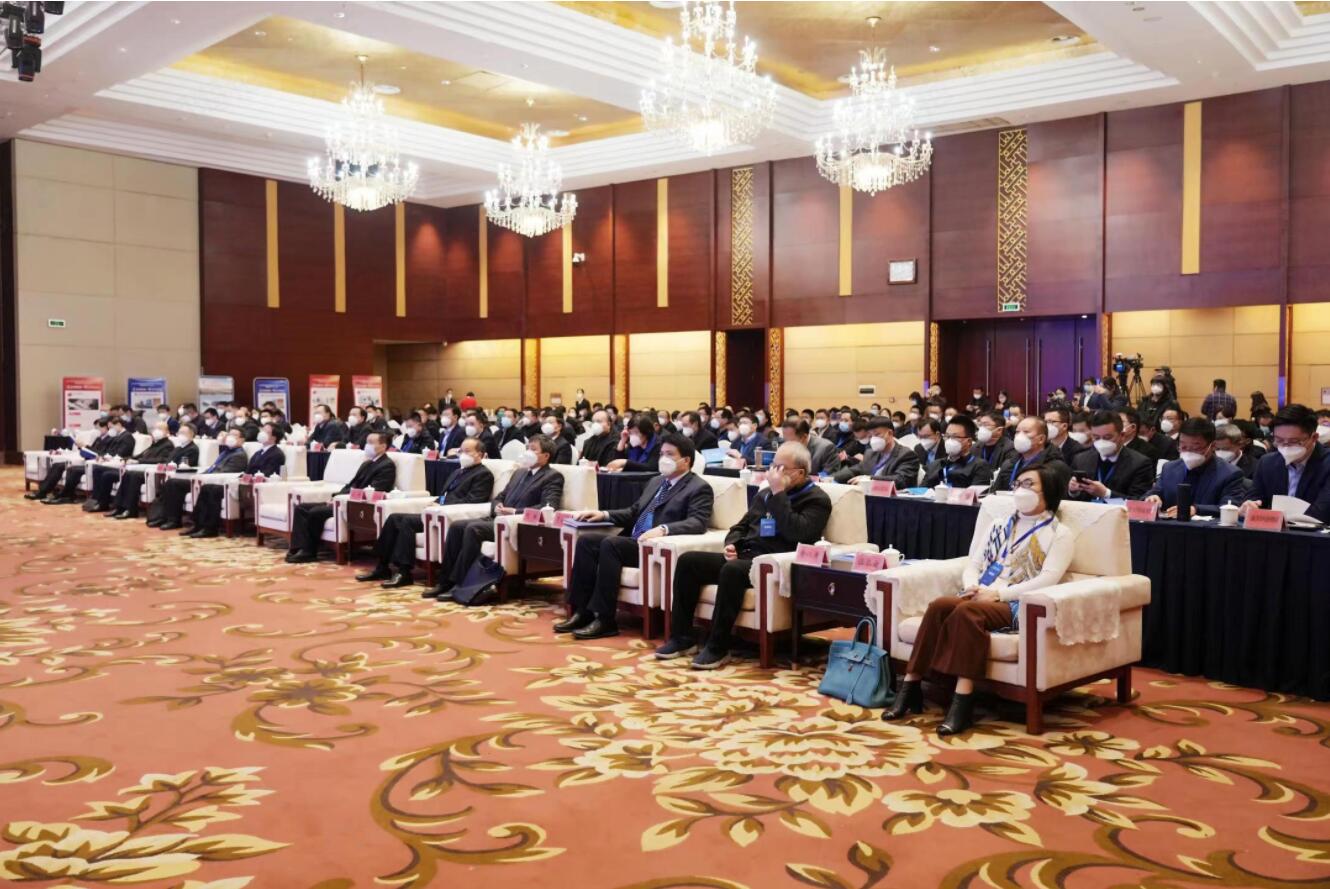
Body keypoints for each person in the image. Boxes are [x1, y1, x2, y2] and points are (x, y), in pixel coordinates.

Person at [884, 464, 1075, 735]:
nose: (1021, 490)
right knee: (940, 606)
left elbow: (1048, 579)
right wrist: (972, 586)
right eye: (1018, 483)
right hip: (981, 593)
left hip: (1017, 603)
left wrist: (998, 594)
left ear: (1049, 491)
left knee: (967, 613)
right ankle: (911, 687)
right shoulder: (999, 525)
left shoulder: (1059, 534)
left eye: (1029, 484)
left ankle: (962, 700)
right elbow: (973, 564)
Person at [656, 442, 832, 670]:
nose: (773, 473)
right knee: (689, 561)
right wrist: (732, 544)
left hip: (772, 563)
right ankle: (682, 638)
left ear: (799, 473)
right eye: (773, 466)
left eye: (780, 468)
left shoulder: (816, 500)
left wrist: (779, 493)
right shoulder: (765, 494)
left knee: (732, 570)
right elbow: (740, 527)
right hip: (745, 555)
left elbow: (797, 533)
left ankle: (718, 647)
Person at [557, 435, 714, 640]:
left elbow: (697, 522)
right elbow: (634, 511)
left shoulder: (699, 487)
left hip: (654, 548)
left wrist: (664, 529)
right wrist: (604, 514)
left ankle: (605, 619)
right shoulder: (656, 481)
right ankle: (582, 611)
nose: (663, 459)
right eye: (661, 454)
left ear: (686, 460)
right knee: (587, 541)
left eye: (670, 454)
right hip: (633, 541)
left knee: (611, 544)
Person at [425, 435, 564, 601]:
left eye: (533, 449)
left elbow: (548, 506)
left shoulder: (552, 476)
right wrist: (497, 505)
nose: (527, 452)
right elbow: (500, 496)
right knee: (457, 526)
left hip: (514, 524)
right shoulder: (519, 472)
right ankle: (445, 582)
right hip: (497, 518)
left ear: (546, 455)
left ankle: (461, 585)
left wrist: (514, 512)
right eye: (527, 448)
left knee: (473, 529)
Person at [359, 438, 494, 589]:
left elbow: (473, 500)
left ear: (480, 454)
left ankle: (404, 572)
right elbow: (445, 494)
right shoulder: (457, 472)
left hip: (450, 515)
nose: (462, 454)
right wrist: (436, 501)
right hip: (436, 512)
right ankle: (382, 567)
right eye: (461, 451)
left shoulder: (483, 474)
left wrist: (441, 504)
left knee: (407, 522)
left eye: (467, 451)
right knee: (394, 518)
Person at [286, 432, 396, 563]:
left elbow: (375, 490)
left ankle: (309, 551)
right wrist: (336, 497)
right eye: (367, 442)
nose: (367, 446)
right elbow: (350, 485)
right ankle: (297, 548)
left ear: (383, 446)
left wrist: (341, 499)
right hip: (342, 500)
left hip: (355, 505)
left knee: (316, 512)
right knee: (301, 508)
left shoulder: (387, 465)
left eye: (371, 443)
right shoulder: (366, 463)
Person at [188, 424, 286, 538]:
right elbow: (248, 471)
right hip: (244, 483)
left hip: (255, 487)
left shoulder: (277, 454)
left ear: (274, 437)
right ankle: (198, 525)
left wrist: (249, 478)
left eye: (266, 431)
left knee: (214, 490)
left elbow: (267, 474)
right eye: (262, 430)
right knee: (207, 488)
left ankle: (210, 528)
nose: (261, 433)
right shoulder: (259, 452)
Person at [1239, 404, 1330, 523]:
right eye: (1279, 440)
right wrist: (1249, 507)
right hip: (1272, 532)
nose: (1286, 447)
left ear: (1314, 437)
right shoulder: (1267, 463)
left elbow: (1322, 512)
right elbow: (1254, 500)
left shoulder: (1326, 464)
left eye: (1294, 441)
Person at [1143, 417, 1246, 518]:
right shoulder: (1169, 468)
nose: (1188, 452)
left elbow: (1231, 508)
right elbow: (1154, 492)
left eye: (1196, 448)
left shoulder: (1230, 474)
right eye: (1183, 447)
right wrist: (1152, 497)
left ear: (1213, 446)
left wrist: (1196, 509)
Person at [150, 431, 248, 530]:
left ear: (242, 440)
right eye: (229, 434)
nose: (230, 437)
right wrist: (201, 474)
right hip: (204, 479)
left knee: (175, 484)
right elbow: (213, 467)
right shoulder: (225, 452)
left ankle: (176, 521)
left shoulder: (238, 455)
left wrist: (203, 477)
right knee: (172, 483)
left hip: (214, 482)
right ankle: (167, 518)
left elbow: (225, 473)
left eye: (234, 435)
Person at [36, 416, 138, 504]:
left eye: (111, 427)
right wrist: (85, 448)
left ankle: (66, 495)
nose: (111, 429)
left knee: (74, 470)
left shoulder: (124, 437)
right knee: (66, 467)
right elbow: (100, 450)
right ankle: (62, 494)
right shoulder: (104, 438)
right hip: (96, 459)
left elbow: (118, 453)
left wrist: (99, 455)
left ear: (118, 425)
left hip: (106, 462)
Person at [110, 423, 199, 519]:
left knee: (134, 475)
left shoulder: (191, 448)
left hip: (172, 474)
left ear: (191, 434)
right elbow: (166, 461)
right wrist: (127, 459)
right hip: (161, 470)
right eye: (179, 432)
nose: (180, 435)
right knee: (128, 474)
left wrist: (168, 466)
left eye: (183, 433)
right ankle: (119, 507)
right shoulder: (178, 448)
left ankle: (130, 509)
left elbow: (181, 464)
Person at [1067, 410, 1156, 501]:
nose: (1101, 442)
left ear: (1122, 435)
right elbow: (1068, 499)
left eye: (1107, 437)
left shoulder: (1140, 464)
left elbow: (1139, 502)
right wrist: (1073, 491)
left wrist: (1106, 494)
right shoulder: (1080, 459)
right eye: (1096, 438)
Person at [833, 418, 920, 488]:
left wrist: (870, 479)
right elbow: (855, 470)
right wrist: (832, 478)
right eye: (871, 436)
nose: (873, 439)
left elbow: (900, 480)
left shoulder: (907, 455)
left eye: (877, 434)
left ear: (890, 433)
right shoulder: (870, 453)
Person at [990, 417, 1066, 492]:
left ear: (1041, 439)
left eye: (1026, 432)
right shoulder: (1009, 464)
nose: (1019, 436)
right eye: (1017, 432)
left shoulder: (1055, 467)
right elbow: (994, 493)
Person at [921, 416, 995, 489]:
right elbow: (920, 492)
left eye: (954, 437)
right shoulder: (935, 465)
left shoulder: (979, 466)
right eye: (947, 436)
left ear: (969, 442)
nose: (949, 441)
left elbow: (977, 495)